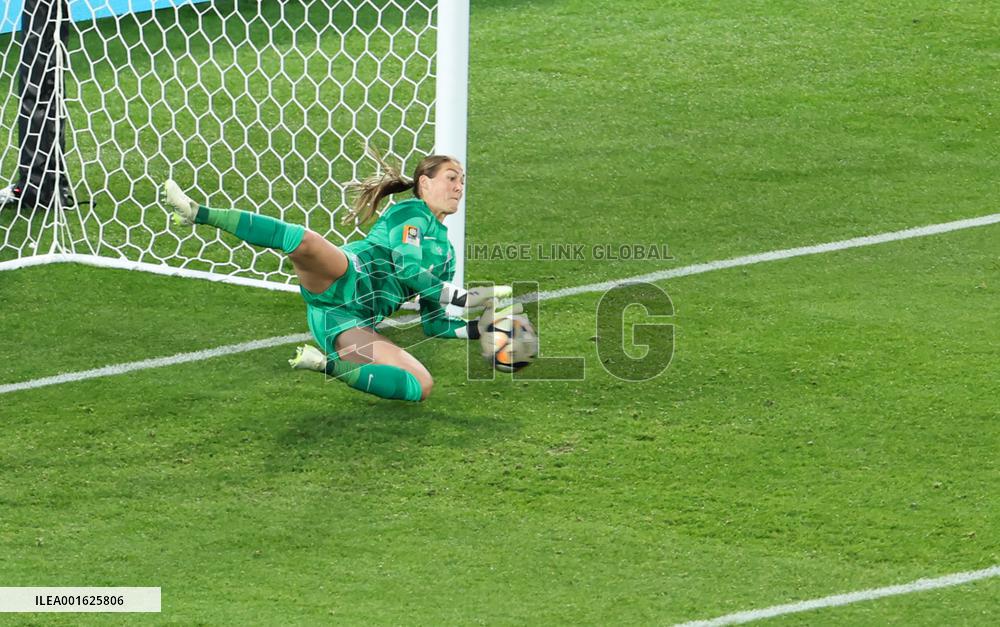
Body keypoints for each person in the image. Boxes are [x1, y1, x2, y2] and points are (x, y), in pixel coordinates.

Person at [161, 152, 515, 402]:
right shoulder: (411, 214)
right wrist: (468, 298)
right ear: (424, 184)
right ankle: (198, 212)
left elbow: (434, 326)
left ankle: (326, 365)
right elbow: (408, 269)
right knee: (305, 242)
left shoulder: (447, 256)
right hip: (347, 276)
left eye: (462, 181)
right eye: (451, 179)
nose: (459, 187)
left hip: (346, 321)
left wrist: (476, 329)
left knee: (421, 385)